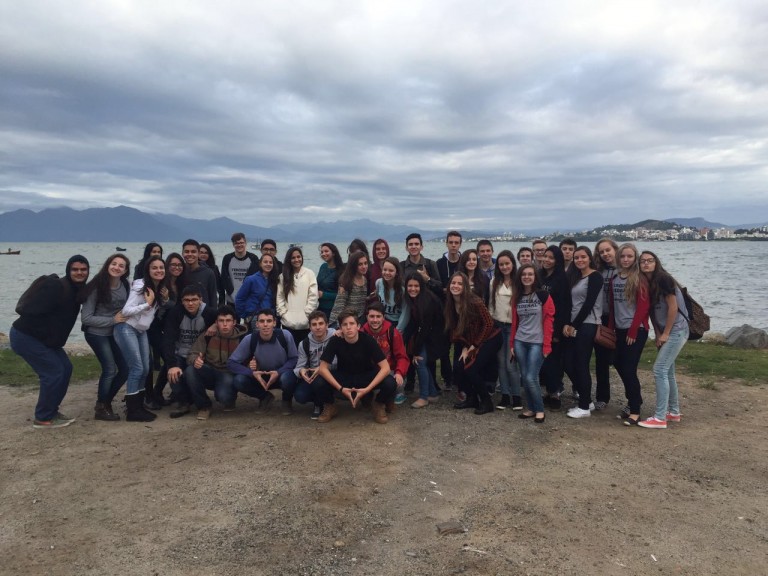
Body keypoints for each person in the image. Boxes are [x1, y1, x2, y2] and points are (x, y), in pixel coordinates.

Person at [10, 255, 90, 428]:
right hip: (25, 336)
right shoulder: (56, 286)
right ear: (68, 270)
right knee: (53, 372)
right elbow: (31, 312)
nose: (79, 273)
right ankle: (43, 417)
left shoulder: (77, 290)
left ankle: (52, 410)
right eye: (75, 269)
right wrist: (46, 334)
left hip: (45, 340)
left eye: (83, 270)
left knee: (66, 368)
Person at [314, 310, 397, 424]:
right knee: (318, 381)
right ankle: (330, 405)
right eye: (345, 324)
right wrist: (341, 389)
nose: (348, 327)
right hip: (344, 377)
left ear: (358, 326)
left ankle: (378, 403)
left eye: (352, 323)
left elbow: (385, 368)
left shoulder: (368, 340)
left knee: (390, 382)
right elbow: (323, 368)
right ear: (340, 328)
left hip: (366, 376)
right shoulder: (335, 340)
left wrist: (367, 389)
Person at [637, 251, 688, 429]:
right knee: (668, 372)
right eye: (642, 261)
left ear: (656, 262)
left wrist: (666, 333)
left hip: (677, 330)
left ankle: (659, 418)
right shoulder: (646, 283)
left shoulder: (663, 279)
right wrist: (658, 333)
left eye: (650, 260)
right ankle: (673, 412)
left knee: (659, 369)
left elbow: (673, 307)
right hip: (665, 331)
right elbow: (652, 311)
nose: (646, 264)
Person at [113, 256, 167, 422]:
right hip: (127, 328)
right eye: (154, 268)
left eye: (161, 268)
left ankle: (139, 405)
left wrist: (163, 299)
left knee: (145, 368)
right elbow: (126, 311)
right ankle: (132, 411)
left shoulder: (158, 288)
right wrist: (147, 304)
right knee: (136, 368)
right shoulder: (140, 286)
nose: (159, 270)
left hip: (141, 330)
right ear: (148, 270)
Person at [79, 253, 131, 421]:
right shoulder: (96, 287)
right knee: (109, 369)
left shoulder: (125, 285)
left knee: (125, 369)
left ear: (125, 271)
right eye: (114, 264)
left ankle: (105, 402)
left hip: (114, 333)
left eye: (121, 266)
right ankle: (102, 407)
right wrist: (112, 320)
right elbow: (86, 318)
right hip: (96, 333)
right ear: (107, 265)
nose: (117, 267)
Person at [445, 272, 501, 415]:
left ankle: (486, 402)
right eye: (453, 283)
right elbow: (457, 330)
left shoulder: (475, 302)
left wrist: (474, 346)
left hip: (491, 338)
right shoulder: (450, 304)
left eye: (459, 283)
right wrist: (465, 346)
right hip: (471, 341)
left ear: (465, 286)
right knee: (459, 367)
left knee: (471, 368)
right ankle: (472, 399)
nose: (456, 286)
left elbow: (488, 324)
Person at [162, 285, 218, 418]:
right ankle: (184, 402)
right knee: (173, 371)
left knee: (191, 372)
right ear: (182, 301)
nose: (190, 303)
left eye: (194, 299)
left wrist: (216, 324)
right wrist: (172, 364)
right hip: (181, 353)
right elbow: (168, 339)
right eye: (187, 300)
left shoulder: (209, 312)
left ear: (201, 300)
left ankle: (204, 405)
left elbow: (230, 316)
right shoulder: (175, 313)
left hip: (200, 354)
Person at [610, 243, 650, 425]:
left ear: (635, 258)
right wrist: (611, 328)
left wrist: (633, 330)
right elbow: (613, 306)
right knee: (617, 362)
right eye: (623, 256)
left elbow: (643, 306)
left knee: (628, 369)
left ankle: (635, 410)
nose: (626, 259)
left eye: (630, 256)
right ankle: (635, 399)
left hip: (635, 329)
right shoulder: (615, 278)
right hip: (619, 329)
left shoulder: (639, 278)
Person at [228, 309, 298, 412]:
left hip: (281, 374)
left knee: (288, 378)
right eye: (261, 321)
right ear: (257, 324)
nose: (265, 324)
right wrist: (252, 373)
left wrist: (278, 372)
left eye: (269, 321)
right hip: (260, 376)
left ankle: (287, 400)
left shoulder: (285, 335)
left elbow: (294, 359)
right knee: (239, 381)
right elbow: (231, 363)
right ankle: (264, 397)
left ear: (274, 323)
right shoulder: (249, 339)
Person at [185, 305, 248, 420]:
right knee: (190, 370)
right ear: (216, 322)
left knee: (224, 398)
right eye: (221, 321)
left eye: (228, 320)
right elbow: (192, 353)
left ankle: (229, 397)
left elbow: (250, 359)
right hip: (210, 371)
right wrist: (195, 360)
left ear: (234, 322)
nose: (225, 324)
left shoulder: (243, 338)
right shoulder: (208, 335)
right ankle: (204, 406)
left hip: (229, 374)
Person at [509, 264, 554, 423]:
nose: (527, 277)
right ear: (520, 277)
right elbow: (515, 322)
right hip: (520, 341)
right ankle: (531, 408)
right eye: (524, 274)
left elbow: (549, 320)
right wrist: (512, 344)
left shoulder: (543, 295)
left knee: (531, 377)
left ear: (535, 277)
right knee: (524, 376)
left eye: (530, 274)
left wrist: (547, 345)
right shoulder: (517, 297)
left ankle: (540, 410)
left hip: (537, 342)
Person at [563, 247, 603, 419]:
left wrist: (574, 325)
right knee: (568, 362)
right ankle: (587, 400)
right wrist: (568, 323)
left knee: (581, 364)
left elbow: (588, 304)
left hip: (587, 324)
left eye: (583, 257)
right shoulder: (577, 277)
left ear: (589, 258)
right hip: (575, 324)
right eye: (576, 258)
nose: (579, 260)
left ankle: (584, 406)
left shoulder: (595, 276)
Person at [403, 273, 446, 408]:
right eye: (410, 286)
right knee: (422, 363)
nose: (413, 289)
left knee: (420, 361)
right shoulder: (414, 299)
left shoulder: (427, 301)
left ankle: (424, 397)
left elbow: (426, 328)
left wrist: (416, 351)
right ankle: (432, 393)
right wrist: (402, 339)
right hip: (426, 334)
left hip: (436, 336)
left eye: (416, 286)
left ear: (421, 286)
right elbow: (414, 323)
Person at [488, 250, 522, 410]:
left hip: (513, 327)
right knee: (501, 363)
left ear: (513, 264)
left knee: (511, 364)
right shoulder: (494, 282)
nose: (504, 267)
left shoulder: (519, 281)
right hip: (498, 326)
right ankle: (505, 396)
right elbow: (491, 304)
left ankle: (517, 397)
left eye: (507, 263)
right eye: (501, 264)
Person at [539, 245, 571, 410]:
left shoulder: (562, 279)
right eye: (545, 256)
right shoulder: (540, 276)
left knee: (553, 362)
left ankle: (555, 393)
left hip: (554, 326)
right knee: (542, 362)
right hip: (538, 324)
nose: (547, 260)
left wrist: (557, 331)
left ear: (557, 261)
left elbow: (565, 306)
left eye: (551, 258)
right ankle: (548, 390)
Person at [361, 303, 410, 407]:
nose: (375, 320)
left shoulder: (393, 333)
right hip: (368, 371)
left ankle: (384, 398)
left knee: (392, 384)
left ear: (383, 317)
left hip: (389, 370)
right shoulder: (361, 333)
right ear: (367, 317)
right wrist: (339, 333)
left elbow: (402, 357)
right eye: (372, 316)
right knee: (364, 402)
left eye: (378, 316)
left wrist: (399, 372)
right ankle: (368, 394)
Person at [290, 310, 337, 419]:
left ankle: (325, 404)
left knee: (319, 381)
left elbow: (338, 362)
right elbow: (299, 366)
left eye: (321, 323)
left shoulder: (335, 338)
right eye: (314, 324)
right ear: (310, 327)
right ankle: (319, 401)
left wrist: (321, 369)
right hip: (312, 374)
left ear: (327, 325)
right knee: (300, 396)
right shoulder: (304, 343)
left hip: (333, 373)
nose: (318, 327)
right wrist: (301, 371)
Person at [592, 237, 619, 408]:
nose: (605, 254)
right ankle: (602, 397)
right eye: (601, 252)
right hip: (600, 317)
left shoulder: (625, 269)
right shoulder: (598, 271)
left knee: (620, 360)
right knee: (601, 360)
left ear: (615, 249)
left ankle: (632, 400)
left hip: (619, 318)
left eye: (608, 250)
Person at [276, 246, 319, 345]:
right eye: (293, 258)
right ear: (289, 259)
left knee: (304, 349)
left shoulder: (309, 274)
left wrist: (307, 314)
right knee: (290, 349)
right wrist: (283, 313)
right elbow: (280, 297)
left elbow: (313, 296)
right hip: (287, 323)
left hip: (306, 323)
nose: (296, 260)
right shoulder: (283, 276)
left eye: (298, 257)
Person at [236, 253, 279, 325]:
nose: (268, 264)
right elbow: (239, 298)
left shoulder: (275, 281)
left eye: (270, 262)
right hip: (255, 317)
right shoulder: (251, 279)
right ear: (260, 264)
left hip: (269, 317)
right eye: (265, 262)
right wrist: (244, 315)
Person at [329, 250, 370, 325]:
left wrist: (369, 297)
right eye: (360, 264)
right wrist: (336, 325)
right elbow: (339, 305)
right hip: (346, 320)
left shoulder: (365, 280)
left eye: (365, 263)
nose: (364, 267)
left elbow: (358, 299)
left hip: (359, 319)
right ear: (354, 265)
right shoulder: (346, 281)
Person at [220, 232, 260, 307]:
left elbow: (256, 279)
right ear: (233, 244)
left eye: (241, 243)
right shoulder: (227, 258)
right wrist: (229, 292)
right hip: (231, 300)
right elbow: (224, 278)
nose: (239, 245)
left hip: (248, 300)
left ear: (245, 243)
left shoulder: (253, 258)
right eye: (236, 243)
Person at [372, 256, 408, 332]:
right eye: (385, 270)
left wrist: (398, 330)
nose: (387, 273)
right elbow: (378, 299)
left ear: (397, 272)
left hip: (396, 323)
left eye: (391, 270)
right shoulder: (379, 283)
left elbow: (405, 313)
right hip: (382, 321)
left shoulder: (403, 290)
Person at [182, 239, 217, 306]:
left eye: (193, 251)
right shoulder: (180, 272)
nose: (190, 254)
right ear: (182, 253)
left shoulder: (208, 273)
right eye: (186, 251)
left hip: (204, 311)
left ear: (198, 253)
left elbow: (213, 298)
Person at [316, 242, 344, 318]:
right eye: (322, 252)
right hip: (318, 307)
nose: (323, 254)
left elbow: (342, 295)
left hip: (332, 309)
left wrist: (324, 295)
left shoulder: (341, 270)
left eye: (326, 251)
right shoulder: (323, 266)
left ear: (334, 253)